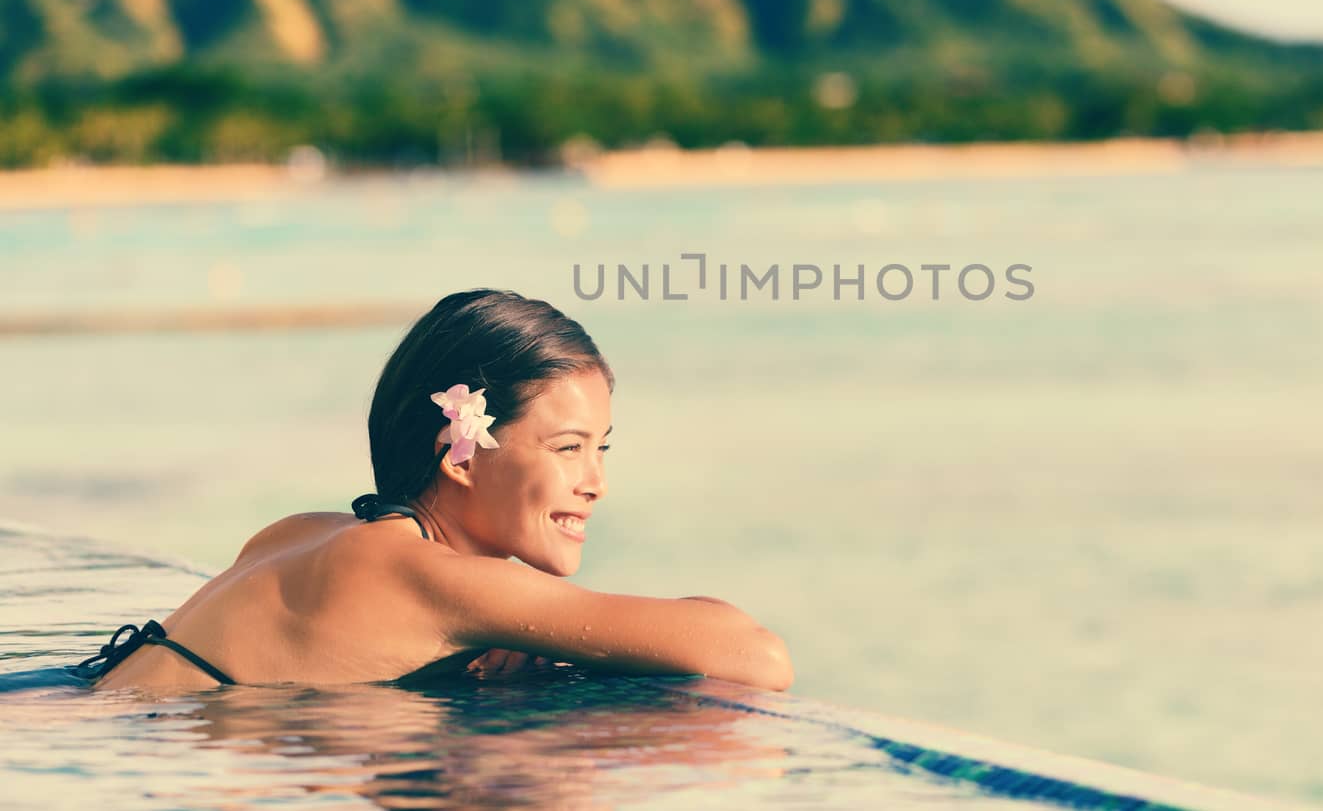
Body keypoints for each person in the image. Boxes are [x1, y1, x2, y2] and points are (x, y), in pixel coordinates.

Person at [73, 289, 793, 693]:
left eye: (600, 449)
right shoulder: (438, 580)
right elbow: (759, 657)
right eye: (568, 448)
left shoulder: (302, 531)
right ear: (461, 455)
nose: (596, 482)